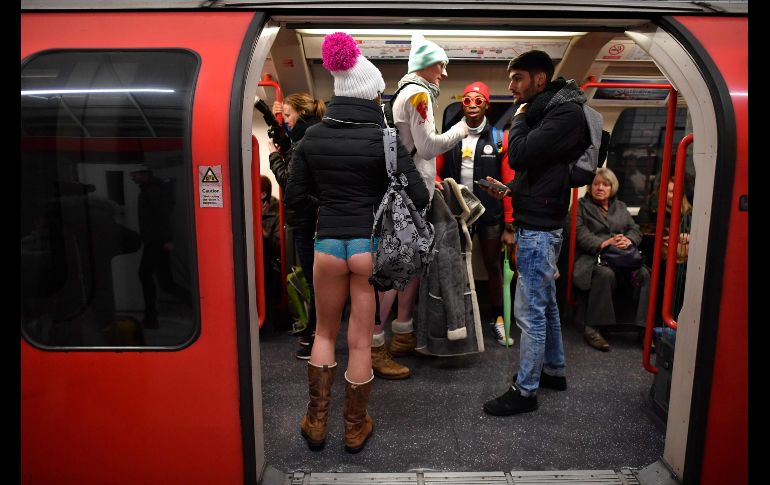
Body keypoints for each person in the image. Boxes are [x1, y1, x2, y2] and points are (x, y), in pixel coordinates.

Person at [285, 32, 429, 453]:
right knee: (361, 341)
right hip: (368, 247)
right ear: (371, 96)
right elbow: (418, 196)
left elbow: (294, 198)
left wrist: (326, 203)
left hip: (327, 244)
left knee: (325, 334)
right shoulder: (383, 140)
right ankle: (353, 427)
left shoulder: (311, 137)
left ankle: (316, 423)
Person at [479, 50, 591, 416]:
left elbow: (521, 155)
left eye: (518, 78)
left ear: (540, 79)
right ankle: (554, 371)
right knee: (547, 304)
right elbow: (544, 172)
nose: (511, 86)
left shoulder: (562, 113)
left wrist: (521, 116)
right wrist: (513, 192)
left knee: (530, 312)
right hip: (539, 216)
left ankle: (525, 391)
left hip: (541, 228)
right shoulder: (551, 110)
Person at [373, 33, 469, 380]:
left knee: (409, 267)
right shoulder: (418, 94)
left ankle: (401, 334)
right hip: (410, 198)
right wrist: (463, 129)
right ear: (425, 65)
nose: (443, 72)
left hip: (412, 192)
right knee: (397, 269)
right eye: (440, 65)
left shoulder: (410, 92)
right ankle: (375, 344)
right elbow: (427, 148)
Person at [436, 81, 515, 347]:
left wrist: (510, 225)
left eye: (478, 101)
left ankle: (498, 319)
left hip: (490, 215)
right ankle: (458, 319)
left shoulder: (499, 139)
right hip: (458, 213)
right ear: (462, 104)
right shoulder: (449, 136)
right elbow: (436, 169)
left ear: (486, 106)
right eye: (467, 101)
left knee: (493, 266)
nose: (472, 106)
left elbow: (507, 184)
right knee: (455, 267)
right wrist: (436, 185)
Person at [268, 92, 326, 359]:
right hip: (313, 219)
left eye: (288, 115)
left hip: (305, 221)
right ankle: (316, 332)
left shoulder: (304, 141)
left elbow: (290, 185)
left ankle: (315, 336)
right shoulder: (313, 135)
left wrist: (273, 157)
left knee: (316, 282)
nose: (286, 120)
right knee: (318, 281)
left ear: (301, 113)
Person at [571, 168, 651, 351]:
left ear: (612, 187)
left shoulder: (620, 207)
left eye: (605, 184)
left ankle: (644, 330)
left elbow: (635, 230)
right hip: (594, 257)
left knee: (644, 274)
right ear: (590, 187)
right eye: (596, 184)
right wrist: (605, 242)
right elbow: (579, 233)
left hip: (621, 257)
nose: (600, 188)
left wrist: (628, 240)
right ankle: (593, 329)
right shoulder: (581, 206)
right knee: (604, 274)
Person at [130, 168, 191, 330]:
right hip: (154, 242)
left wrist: (167, 240)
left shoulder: (152, 191)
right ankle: (151, 317)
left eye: (134, 174)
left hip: (157, 242)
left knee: (164, 283)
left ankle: (199, 306)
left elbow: (162, 215)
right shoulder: (149, 190)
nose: (132, 177)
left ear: (145, 174)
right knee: (153, 278)